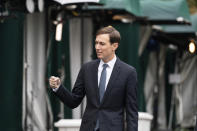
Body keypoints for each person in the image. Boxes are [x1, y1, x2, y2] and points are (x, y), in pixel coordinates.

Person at [49, 26, 138, 131]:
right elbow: (73, 101)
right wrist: (58, 87)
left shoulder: (128, 72)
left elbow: (131, 112)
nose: (97, 47)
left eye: (102, 44)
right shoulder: (87, 69)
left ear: (114, 46)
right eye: (96, 43)